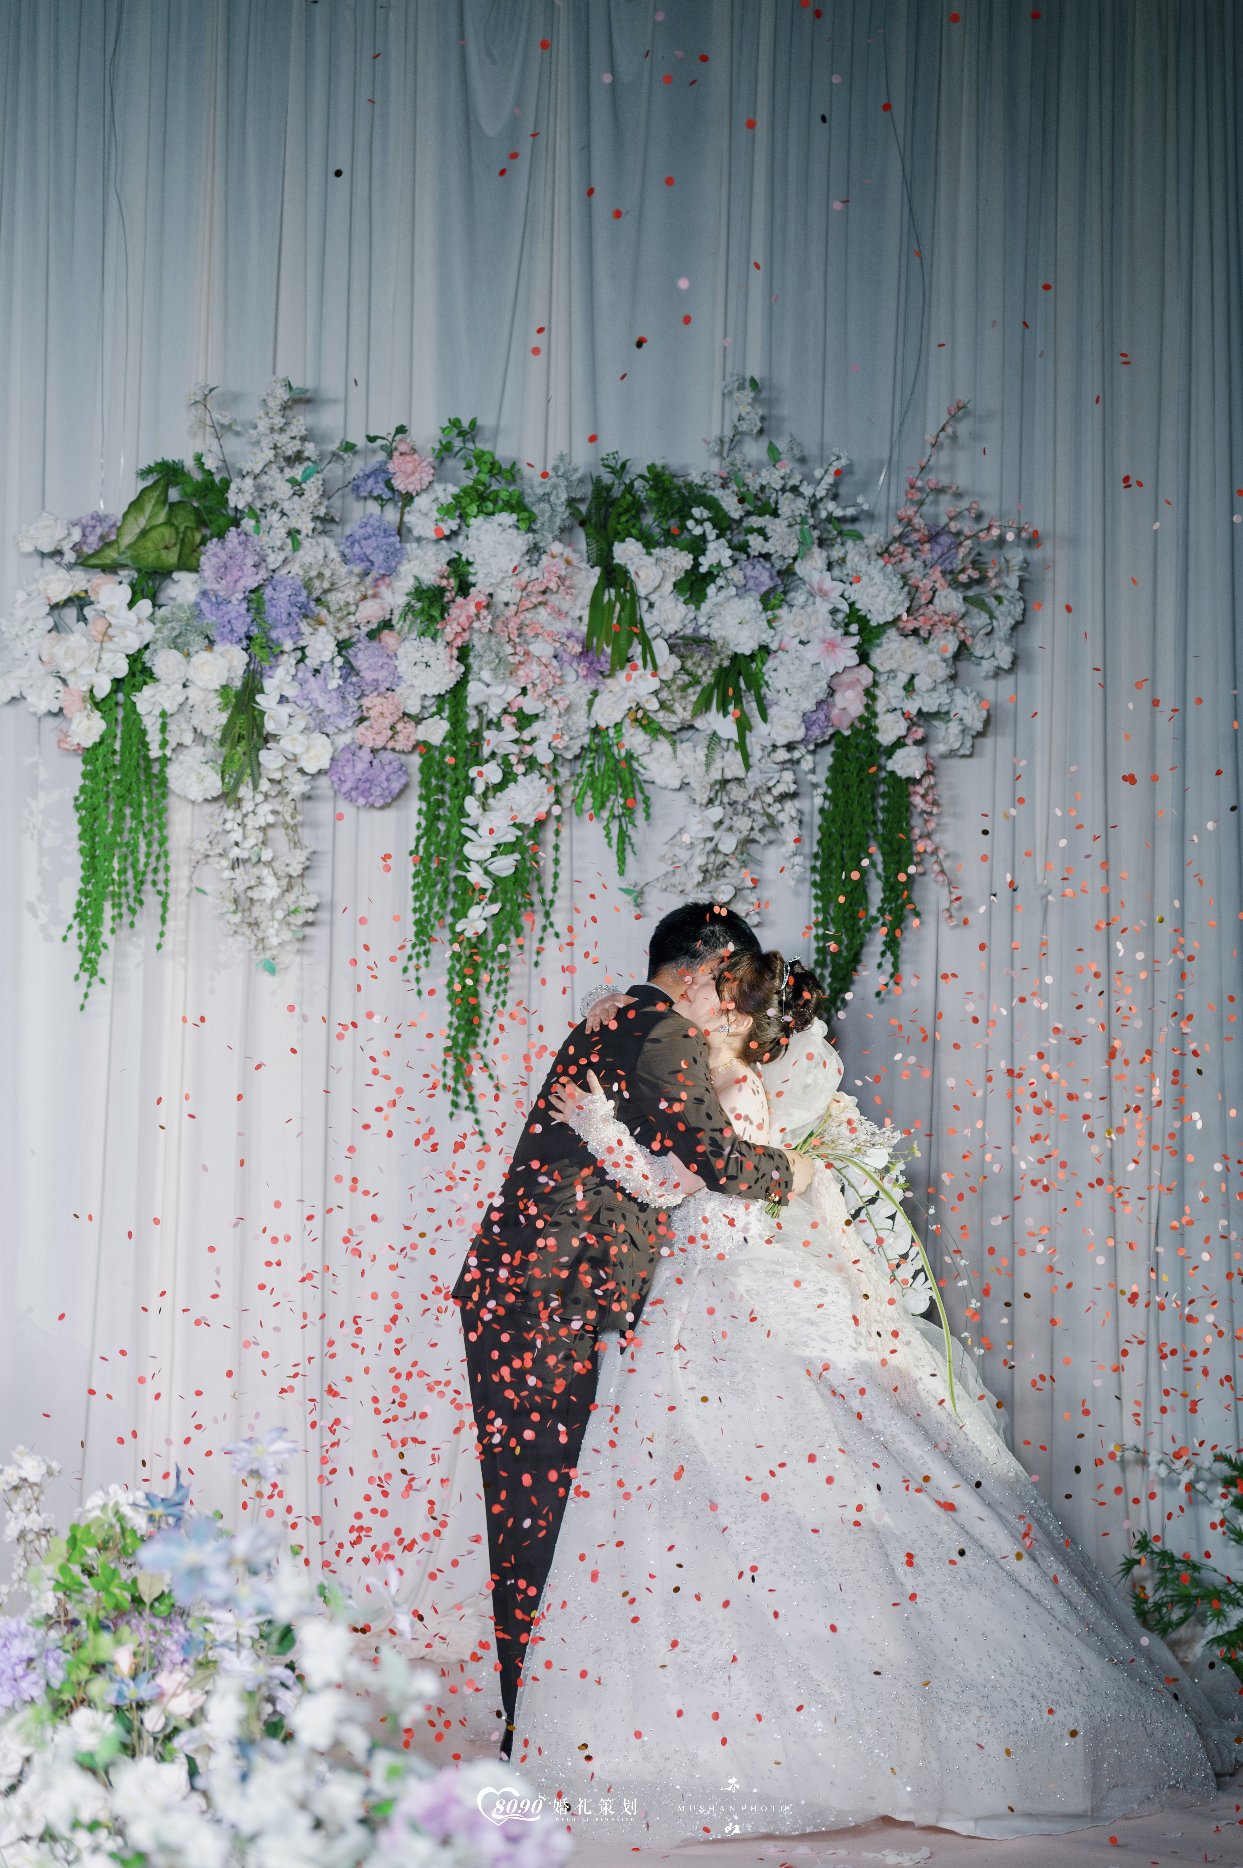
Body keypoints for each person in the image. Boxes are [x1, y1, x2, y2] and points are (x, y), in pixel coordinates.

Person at [510, 953, 1237, 1844]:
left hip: (732, 1290)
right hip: (703, 1288)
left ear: (735, 1016)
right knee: (712, 1490)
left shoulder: (728, 1084)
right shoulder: (721, 1078)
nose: (692, 1004)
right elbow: (684, 1180)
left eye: (710, 995)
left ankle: (835, 1722)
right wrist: (605, 1093)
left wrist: (600, 1126)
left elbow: (686, 1180)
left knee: (778, 1479)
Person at [451, 905, 813, 1758]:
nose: (734, 1003)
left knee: (537, 1506)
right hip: (549, 1298)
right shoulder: (658, 1032)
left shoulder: (619, 1019)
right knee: (536, 1508)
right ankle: (530, 1727)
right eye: (731, 983)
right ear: (704, 967)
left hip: (535, 1293)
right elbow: (715, 1159)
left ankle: (538, 1715)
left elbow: (656, 1163)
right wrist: (793, 1173)